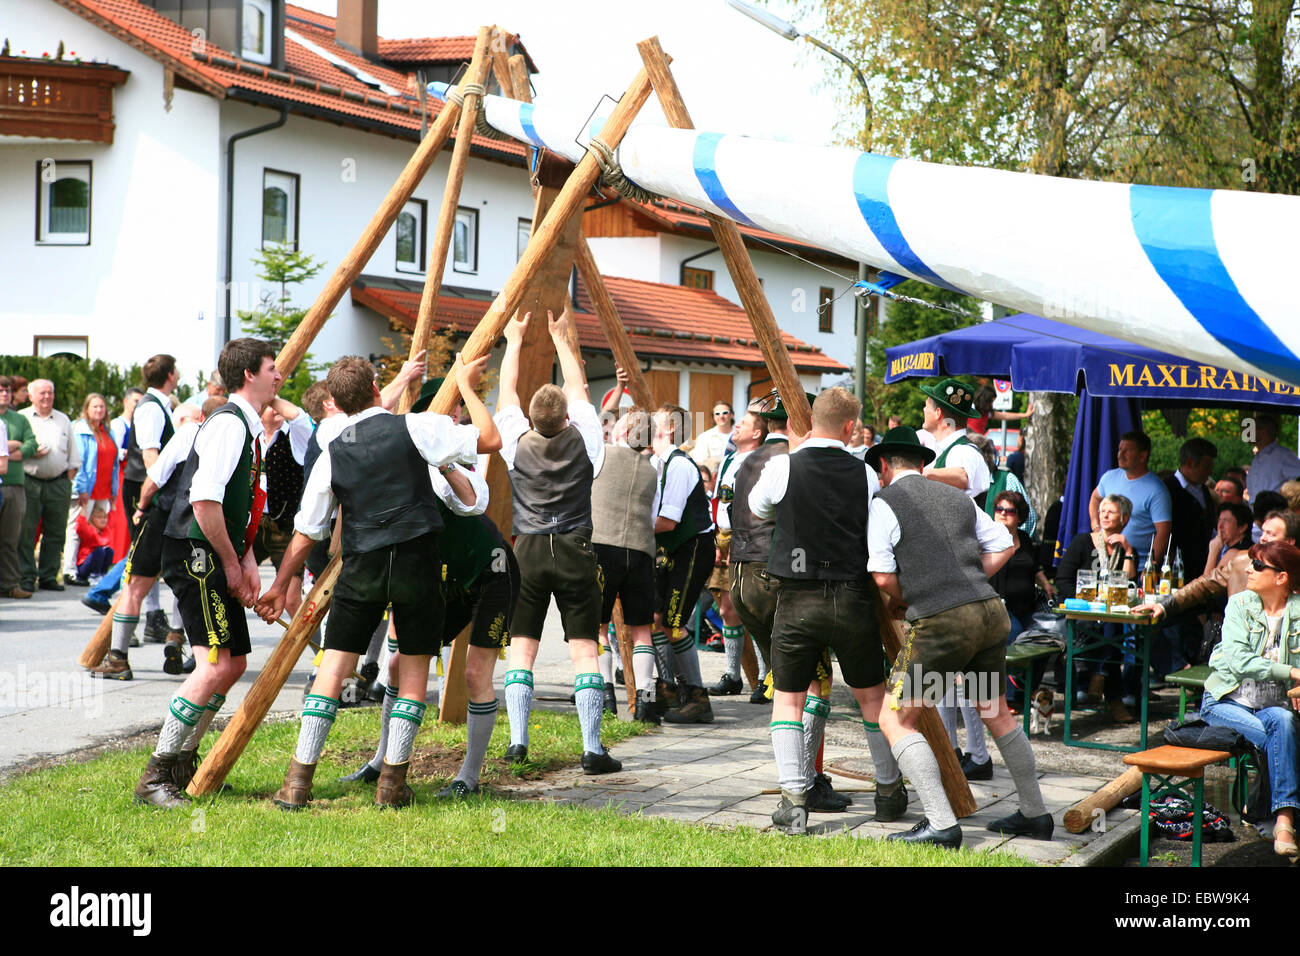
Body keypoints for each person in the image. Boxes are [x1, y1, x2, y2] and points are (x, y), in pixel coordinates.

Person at [259, 353, 497, 810]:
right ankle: (391, 784)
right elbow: (490, 439)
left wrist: (280, 583)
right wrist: (464, 384)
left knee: (332, 670)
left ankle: (297, 783)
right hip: (416, 561)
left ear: (337, 403)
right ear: (374, 387)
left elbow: (307, 531)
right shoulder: (415, 427)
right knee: (411, 673)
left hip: (363, 564)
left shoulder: (333, 452)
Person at [866, 425, 1047, 849]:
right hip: (988, 615)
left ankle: (941, 824)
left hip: (945, 625)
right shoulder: (957, 498)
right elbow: (1005, 542)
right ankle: (1036, 814)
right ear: (923, 463)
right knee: (996, 712)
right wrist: (968, 583)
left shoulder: (885, 502)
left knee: (895, 717)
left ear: (885, 465)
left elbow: (881, 575)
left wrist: (930, 593)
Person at [131, 338, 283, 808]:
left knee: (233, 663)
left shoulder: (247, 426)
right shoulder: (228, 425)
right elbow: (203, 501)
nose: (279, 376)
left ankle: (183, 762)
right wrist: (233, 564)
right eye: (272, 368)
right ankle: (155, 775)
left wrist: (249, 560)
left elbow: (241, 508)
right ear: (248, 377)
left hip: (215, 549)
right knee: (213, 663)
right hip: (196, 552)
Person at [749, 389, 899, 833]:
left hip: (796, 598)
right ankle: (889, 792)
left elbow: (759, 509)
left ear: (810, 421)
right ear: (851, 428)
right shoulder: (867, 474)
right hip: (852, 597)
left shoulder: (783, 465)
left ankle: (794, 800)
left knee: (789, 699)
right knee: (872, 697)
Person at [492, 308, 621, 774]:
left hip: (525, 545)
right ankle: (591, 749)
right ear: (567, 416)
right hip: (576, 546)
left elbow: (505, 391)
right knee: (584, 648)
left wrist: (515, 340)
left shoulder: (513, 440)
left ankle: (517, 742)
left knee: (522, 646)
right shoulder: (587, 439)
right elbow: (581, 389)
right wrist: (563, 338)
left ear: (530, 417)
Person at [1198, 540, 1300, 858]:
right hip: (1227, 701)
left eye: (1257, 565)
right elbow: (1240, 662)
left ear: (1281, 577)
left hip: (1274, 707)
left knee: (1282, 722)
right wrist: (1293, 674)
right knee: (1279, 737)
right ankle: (1280, 820)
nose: (1247, 569)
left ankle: (1268, 812)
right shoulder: (1240, 604)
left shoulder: (1297, 612)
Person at [918, 378, 995, 775]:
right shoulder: (941, 447)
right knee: (944, 669)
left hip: (960, 570)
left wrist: (920, 475)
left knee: (964, 671)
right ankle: (951, 749)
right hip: (943, 568)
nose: (924, 412)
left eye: (929, 406)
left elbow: (965, 479)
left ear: (942, 415)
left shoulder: (964, 450)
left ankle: (978, 755)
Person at [590, 404, 660, 722]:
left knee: (598, 626)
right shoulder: (652, 468)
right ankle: (647, 698)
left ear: (624, 431)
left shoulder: (602, 454)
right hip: (642, 549)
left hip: (603, 546)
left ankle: (605, 693)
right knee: (642, 630)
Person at [650, 402, 718, 724]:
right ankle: (666, 688)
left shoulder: (678, 465)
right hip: (674, 549)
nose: (648, 424)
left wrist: (627, 527)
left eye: (656, 420)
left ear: (672, 428)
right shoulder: (658, 462)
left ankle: (697, 696)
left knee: (675, 623)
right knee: (657, 617)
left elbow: (666, 521)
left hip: (692, 548)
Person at [1056, 493, 1140, 721]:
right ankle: (1113, 698)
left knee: (1113, 626)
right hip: (1082, 611)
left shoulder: (1125, 550)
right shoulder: (1083, 542)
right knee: (1108, 632)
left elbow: (1131, 581)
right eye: (1102, 510)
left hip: (1110, 615)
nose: (1104, 515)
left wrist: (1128, 550)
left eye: (1110, 511)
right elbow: (1062, 580)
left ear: (1124, 518)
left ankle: (1101, 679)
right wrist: (1086, 602)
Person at [1136, 510, 1300, 623]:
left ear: (1290, 541)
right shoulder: (1242, 561)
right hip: (1243, 649)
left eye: (1271, 534)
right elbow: (1203, 586)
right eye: (1262, 532)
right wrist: (1163, 606)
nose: (1263, 539)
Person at [707, 409, 766, 698]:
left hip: (748, 538)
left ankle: (766, 677)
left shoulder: (761, 459)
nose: (736, 425)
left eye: (743, 423)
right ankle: (733, 674)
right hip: (724, 536)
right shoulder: (730, 458)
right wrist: (717, 539)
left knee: (754, 609)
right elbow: (720, 498)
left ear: (757, 433)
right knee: (726, 608)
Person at [989, 490, 1056, 710]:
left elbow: (1034, 566)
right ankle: (1008, 695)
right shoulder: (989, 539)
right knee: (1016, 637)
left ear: (1019, 516)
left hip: (1026, 606)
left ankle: (1029, 690)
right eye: (999, 509)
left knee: (1046, 641)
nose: (1003, 514)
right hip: (999, 607)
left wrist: (1046, 583)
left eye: (1009, 511)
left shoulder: (1025, 539)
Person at [18, 379, 77, 593]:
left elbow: (73, 454)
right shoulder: (22, 418)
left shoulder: (63, 419)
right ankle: (25, 576)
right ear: (32, 396)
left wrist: (68, 476)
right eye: (42, 393)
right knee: (27, 530)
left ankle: (49, 576)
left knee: (55, 532)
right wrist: (29, 452)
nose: (46, 397)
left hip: (58, 483)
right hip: (29, 481)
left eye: (50, 393)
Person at [1089, 430, 1172, 570]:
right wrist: (1096, 526)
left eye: (1127, 451)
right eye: (1120, 449)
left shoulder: (1157, 490)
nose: (1120, 454)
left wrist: (1149, 567)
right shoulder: (1109, 477)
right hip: (1103, 564)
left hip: (1137, 567)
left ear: (1142, 456)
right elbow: (1094, 498)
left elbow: (1163, 533)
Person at [67, 393, 120, 584]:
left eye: (102, 407)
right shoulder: (80, 430)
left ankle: (92, 569)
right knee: (77, 528)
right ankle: (70, 570)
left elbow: (114, 463)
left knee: (97, 530)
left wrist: (114, 491)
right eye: (95, 406)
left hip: (104, 489)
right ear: (87, 409)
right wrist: (80, 488)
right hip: (87, 488)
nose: (99, 410)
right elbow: (79, 461)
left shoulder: (108, 431)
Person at [0, 377, 37, 598]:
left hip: (13, 484)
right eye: (0, 390)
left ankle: (10, 583)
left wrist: (8, 452)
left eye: (7, 390)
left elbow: (31, 444)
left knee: (11, 537)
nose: (4, 393)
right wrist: (12, 445)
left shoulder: (19, 419)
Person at [1164, 437, 1217, 583]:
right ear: (1190, 463)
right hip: (1177, 566)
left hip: (1202, 565)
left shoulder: (1204, 490)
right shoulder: (1167, 489)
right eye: (1206, 466)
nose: (1210, 471)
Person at [1246, 415, 1300, 501]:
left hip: (1275, 510)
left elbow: (1298, 479)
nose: (1247, 433)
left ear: (1263, 432)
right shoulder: (1256, 459)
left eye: (1250, 429)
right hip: (1258, 511)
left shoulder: (1283, 455)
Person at [1204, 501, 1255, 577]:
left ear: (1242, 527)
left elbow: (1208, 585)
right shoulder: (1249, 546)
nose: (1220, 526)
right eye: (1219, 520)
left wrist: (1213, 553)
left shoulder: (1235, 552)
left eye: (1226, 521)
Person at [967, 384, 1032, 436]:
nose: (991, 405)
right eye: (990, 402)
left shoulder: (986, 412)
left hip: (978, 441)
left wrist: (1025, 415)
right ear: (985, 400)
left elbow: (1005, 416)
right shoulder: (970, 408)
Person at [74, 504, 115, 583]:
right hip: (84, 568)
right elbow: (81, 524)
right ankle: (94, 576)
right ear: (92, 519)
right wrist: (84, 508)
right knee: (99, 551)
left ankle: (103, 574)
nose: (103, 520)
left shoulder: (105, 530)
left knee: (109, 550)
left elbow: (113, 519)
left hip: (96, 563)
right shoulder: (89, 530)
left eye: (104, 517)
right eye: (99, 517)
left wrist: (112, 504)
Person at [689, 401, 735, 466]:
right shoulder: (704, 437)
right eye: (717, 414)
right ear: (714, 417)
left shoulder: (742, 434)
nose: (721, 416)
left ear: (731, 415)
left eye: (725, 413)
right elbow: (699, 462)